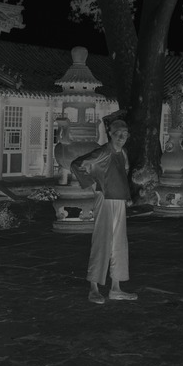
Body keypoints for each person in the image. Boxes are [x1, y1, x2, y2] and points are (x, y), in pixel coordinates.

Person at [70, 119, 138, 304]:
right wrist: (93, 184)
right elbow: (76, 164)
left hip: (119, 201)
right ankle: (93, 289)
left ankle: (116, 288)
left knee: (119, 244)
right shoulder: (103, 151)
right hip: (105, 199)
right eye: (118, 134)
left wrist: (127, 195)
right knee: (102, 242)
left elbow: (120, 174)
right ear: (110, 134)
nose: (122, 137)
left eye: (125, 134)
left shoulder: (123, 153)